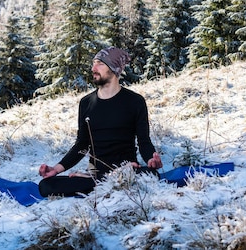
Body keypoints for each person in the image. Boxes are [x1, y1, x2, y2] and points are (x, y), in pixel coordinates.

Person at [38, 46, 163, 197]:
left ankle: (108, 180)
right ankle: (105, 181)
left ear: (115, 69)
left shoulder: (135, 101)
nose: (93, 68)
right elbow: (81, 144)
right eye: (93, 63)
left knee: (151, 175)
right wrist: (56, 169)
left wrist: (151, 159)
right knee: (45, 186)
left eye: (100, 63)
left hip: (129, 169)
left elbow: (144, 141)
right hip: (96, 173)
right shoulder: (86, 103)